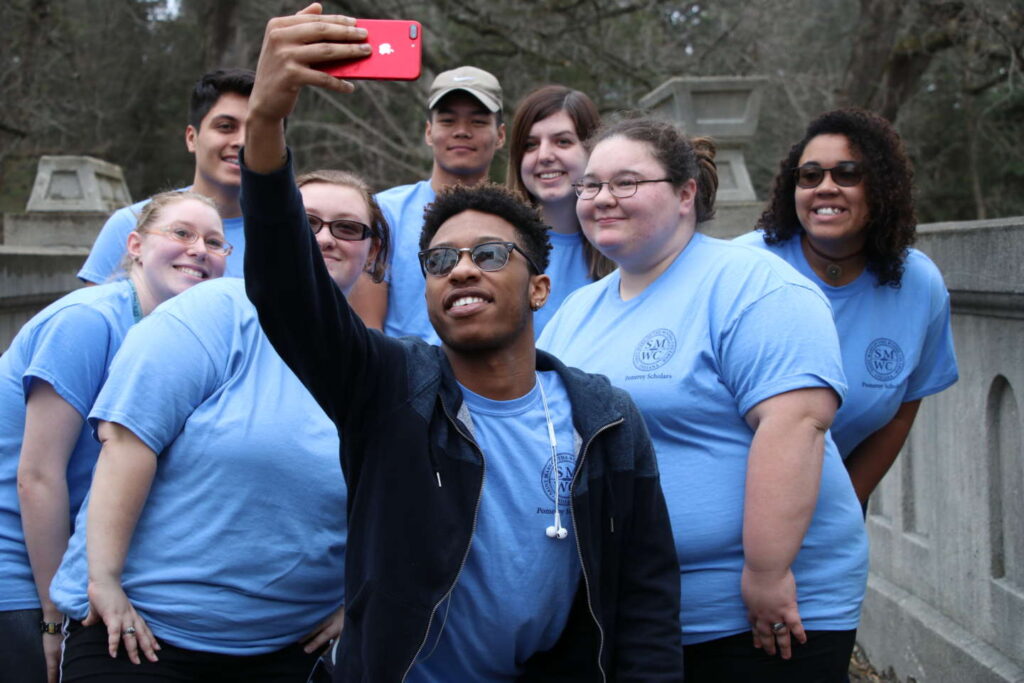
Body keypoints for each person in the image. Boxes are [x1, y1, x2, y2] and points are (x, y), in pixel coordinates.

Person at [240, 7, 684, 680]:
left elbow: (646, 598)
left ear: (540, 287)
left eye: (487, 252)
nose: (463, 268)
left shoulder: (607, 421)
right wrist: (266, 125)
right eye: (441, 261)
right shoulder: (390, 393)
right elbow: (286, 292)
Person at [539, 117, 869, 682]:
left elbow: (796, 424)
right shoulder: (576, 311)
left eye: (626, 183)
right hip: (640, 618)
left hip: (761, 616)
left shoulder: (751, 284)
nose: (602, 199)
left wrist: (767, 574)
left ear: (686, 192)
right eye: (590, 186)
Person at [49, 169, 388, 681]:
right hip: (143, 637)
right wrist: (105, 581)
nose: (324, 237)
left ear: (374, 252)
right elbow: (126, 440)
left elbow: (394, 499)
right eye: (307, 221)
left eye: (347, 228)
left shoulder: (379, 365)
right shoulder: (211, 312)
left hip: (286, 651)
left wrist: (356, 601)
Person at [0, 191, 227, 683]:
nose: (200, 250)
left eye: (215, 242)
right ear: (135, 245)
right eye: (181, 233)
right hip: (20, 570)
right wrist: (53, 614)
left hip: (77, 564)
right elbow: (37, 477)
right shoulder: (87, 323)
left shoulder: (184, 337)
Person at [735, 108, 958, 505]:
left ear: (881, 188)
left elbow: (903, 410)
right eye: (810, 175)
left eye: (847, 173)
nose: (825, 186)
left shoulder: (920, 285)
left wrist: (844, 512)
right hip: (728, 504)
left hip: (834, 507)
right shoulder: (741, 268)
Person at [346, 65, 506, 343]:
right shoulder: (383, 213)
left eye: (478, 122)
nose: (462, 132)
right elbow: (368, 330)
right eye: (448, 121)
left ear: (500, 135)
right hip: (405, 377)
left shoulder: (514, 218)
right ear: (429, 132)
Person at [78, 68, 254, 283]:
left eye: (259, 131)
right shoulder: (132, 224)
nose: (243, 141)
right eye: (226, 127)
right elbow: (96, 313)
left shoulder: (292, 234)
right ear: (192, 138)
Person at [506, 85, 615, 336]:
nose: (544, 155)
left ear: (592, 150)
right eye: (530, 145)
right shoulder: (494, 247)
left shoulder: (624, 245)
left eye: (562, 141)